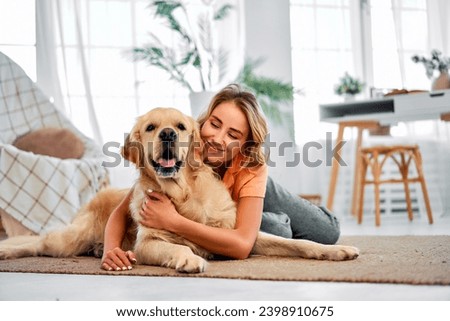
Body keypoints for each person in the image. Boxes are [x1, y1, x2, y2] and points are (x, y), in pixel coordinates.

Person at [101, 84, 340, 271]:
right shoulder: (183, 143)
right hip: (222, 217)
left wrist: (173, 221)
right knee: (276, 228)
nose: (217, 138)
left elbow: (242, 246)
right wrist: (110, 250)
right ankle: (267, 221)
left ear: (245, 144)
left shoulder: (250, 163)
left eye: (233, 134)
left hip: (251, 189)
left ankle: (264, 217)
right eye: (214, 124)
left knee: (325, 232)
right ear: (203, 122)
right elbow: (122, 212)